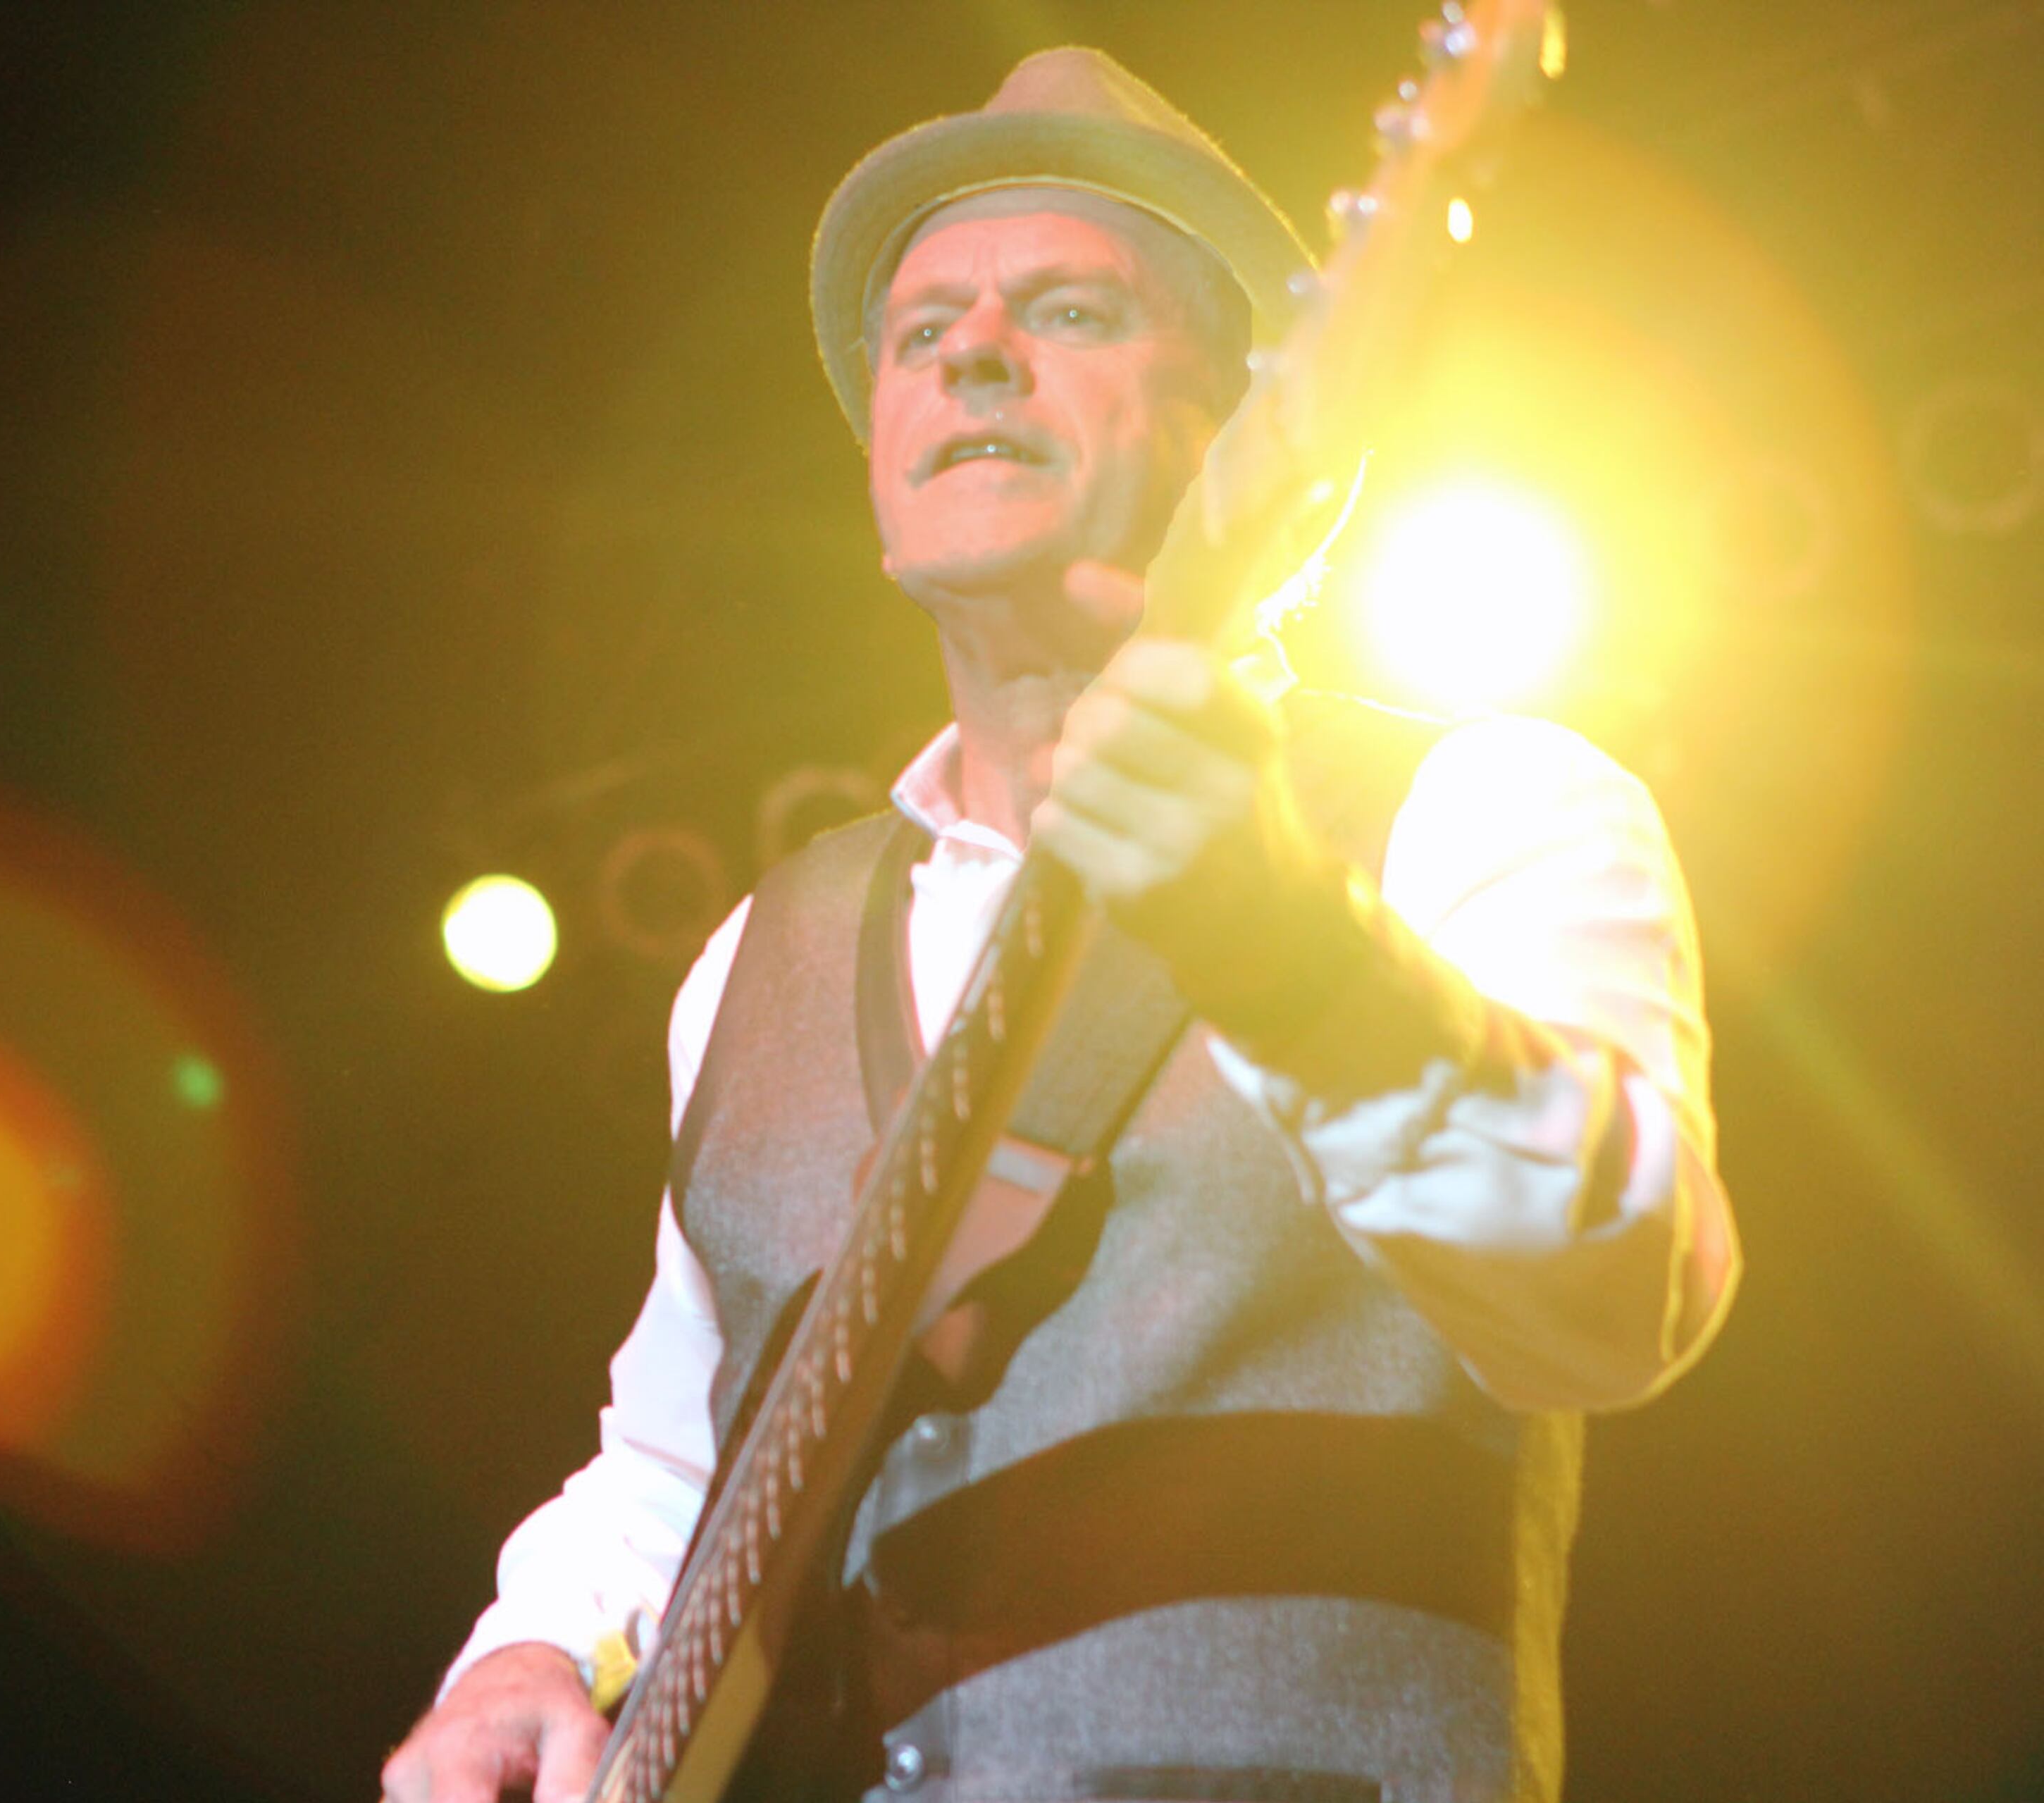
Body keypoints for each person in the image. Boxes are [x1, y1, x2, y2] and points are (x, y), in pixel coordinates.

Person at [383, 46, 1735, 1803]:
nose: (971, 352)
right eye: (917, 329)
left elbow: (1621, 1300)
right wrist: (534, 1646)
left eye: (1072, 307)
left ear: (1274, 437)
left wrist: (1295, 955)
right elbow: (675, 1449)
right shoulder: (759, 951)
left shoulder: (1479, 809)